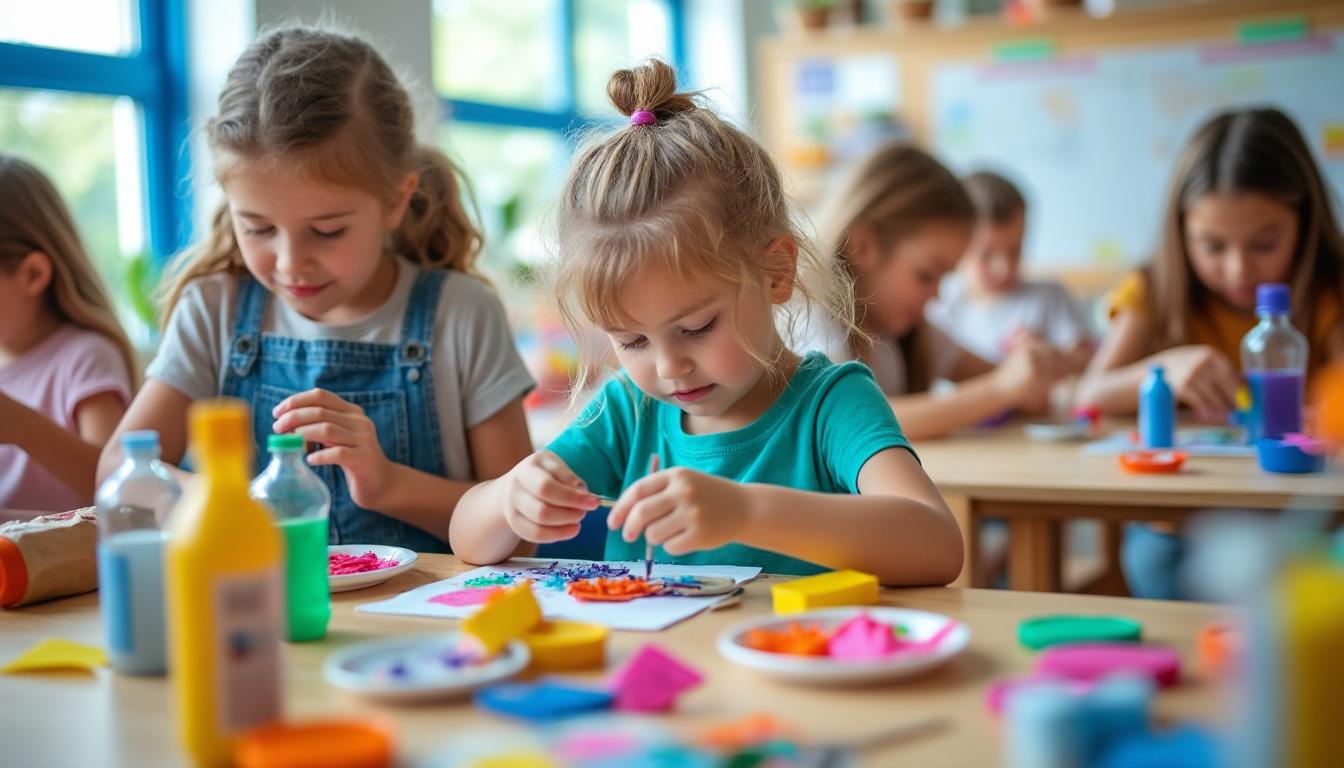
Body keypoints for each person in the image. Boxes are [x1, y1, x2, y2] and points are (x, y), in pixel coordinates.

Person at [450, 61, 963, 585]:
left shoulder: (831, 404)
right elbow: (468, 538)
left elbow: (936, 545)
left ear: (776, 271)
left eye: (696, 328)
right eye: (631, 340)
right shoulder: (629, 410)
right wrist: (510, 499)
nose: (669, 366)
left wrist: (745, 512)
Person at [100, 26, 535, 551]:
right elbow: (117, 475)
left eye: (327, 231)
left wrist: (389, 485)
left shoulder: (462, 313)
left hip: (426, 620)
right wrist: (239, 505)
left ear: (397, 201)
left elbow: (521, 530)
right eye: (257, 228)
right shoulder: (214, 309)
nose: (290, 264)